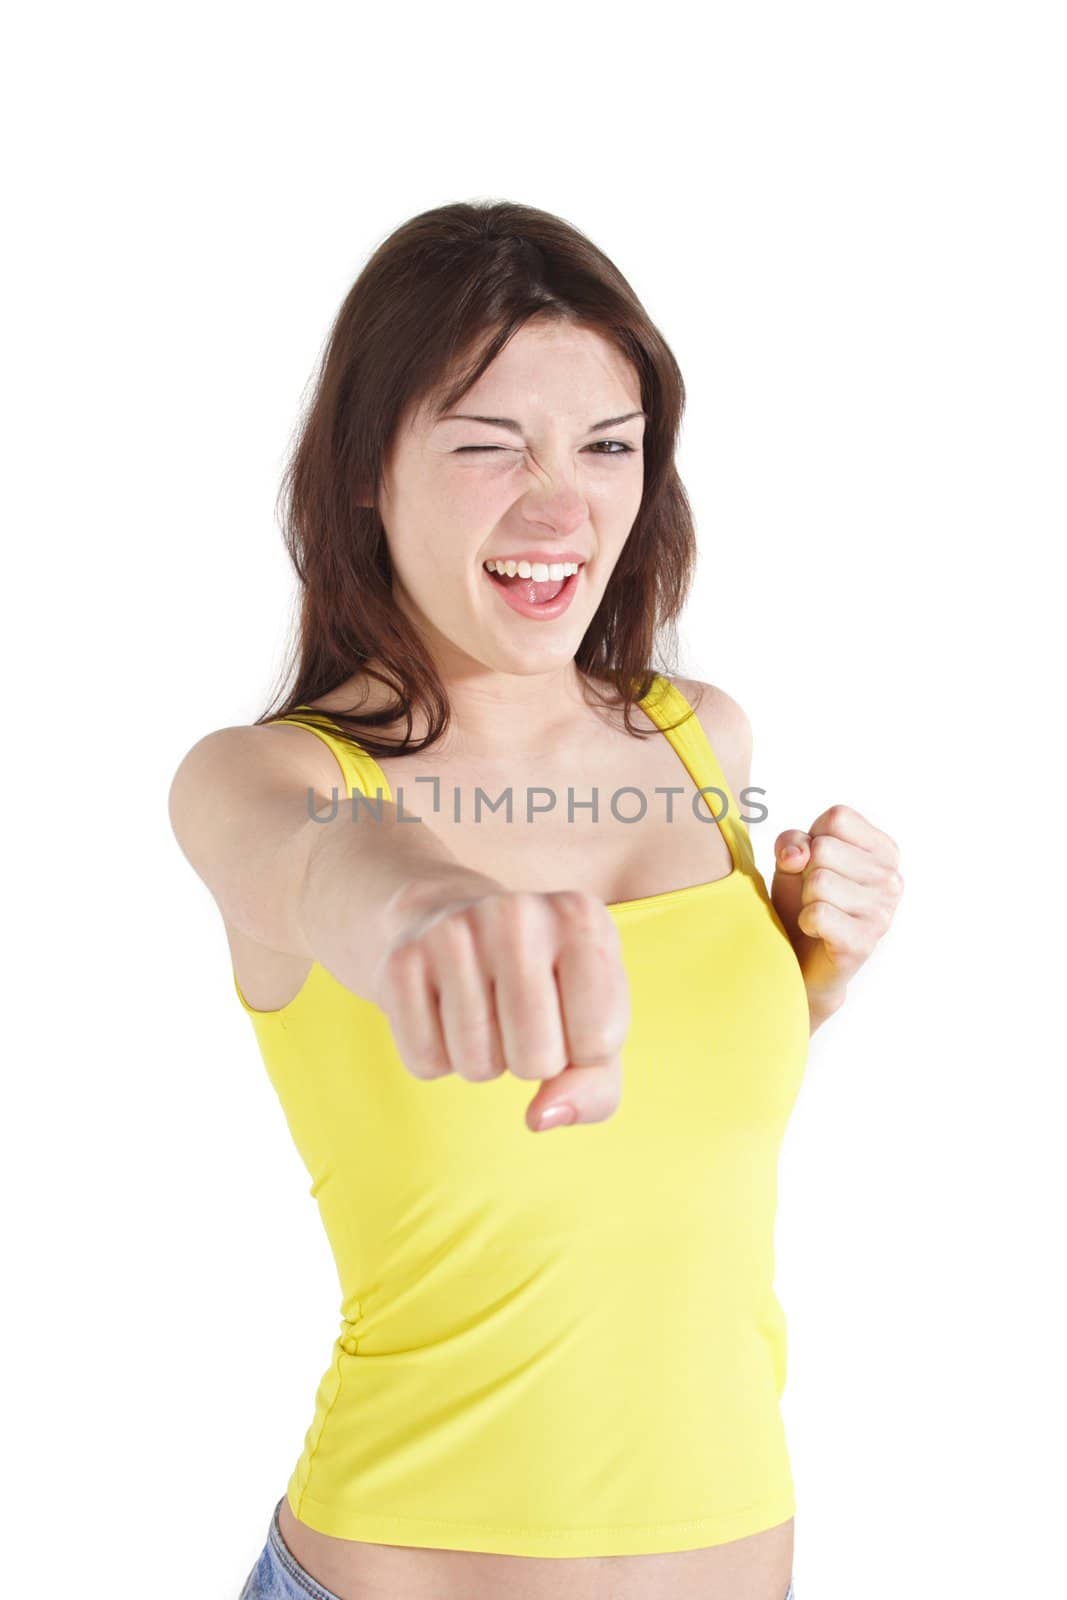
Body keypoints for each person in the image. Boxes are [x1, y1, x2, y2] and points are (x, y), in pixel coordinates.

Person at [169, 200, 903, 1600]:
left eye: (608, 448)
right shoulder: (270, 781)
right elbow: (320, 870)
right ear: (367, 474)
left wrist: (807, 979)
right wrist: (427, 912)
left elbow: (639, 1146)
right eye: (490, 446)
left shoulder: (702, 743)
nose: (561, 510)